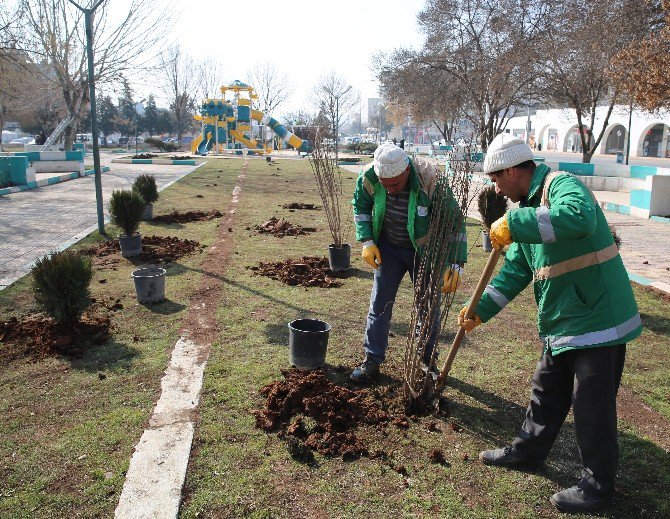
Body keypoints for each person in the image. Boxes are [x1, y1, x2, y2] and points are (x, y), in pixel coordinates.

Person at [458, 134, 641, 513]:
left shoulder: (560, 186)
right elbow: (516, 271)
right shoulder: (526, 207)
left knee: (591, 407)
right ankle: (528, 451)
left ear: (512, 171)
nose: (497, 188)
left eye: (496, 180)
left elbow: (578, 218)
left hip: (599, 319)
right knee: (546, 390)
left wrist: (515, 221)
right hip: (564, 321)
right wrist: (479, 309)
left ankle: (597, 488)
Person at [350, 143, 467, 383]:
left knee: (428, 308)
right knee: (379, 305)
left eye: (395, 184)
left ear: (406, 172)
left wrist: (456, 264)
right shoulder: (370, 176)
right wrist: (367, 241)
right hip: (388, 248)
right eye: (385, 185)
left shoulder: (429, 179)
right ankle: (372, 359)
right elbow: (361, 207)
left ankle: (426, 362)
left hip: (423, 252)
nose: (390, 190)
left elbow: (454, 222)